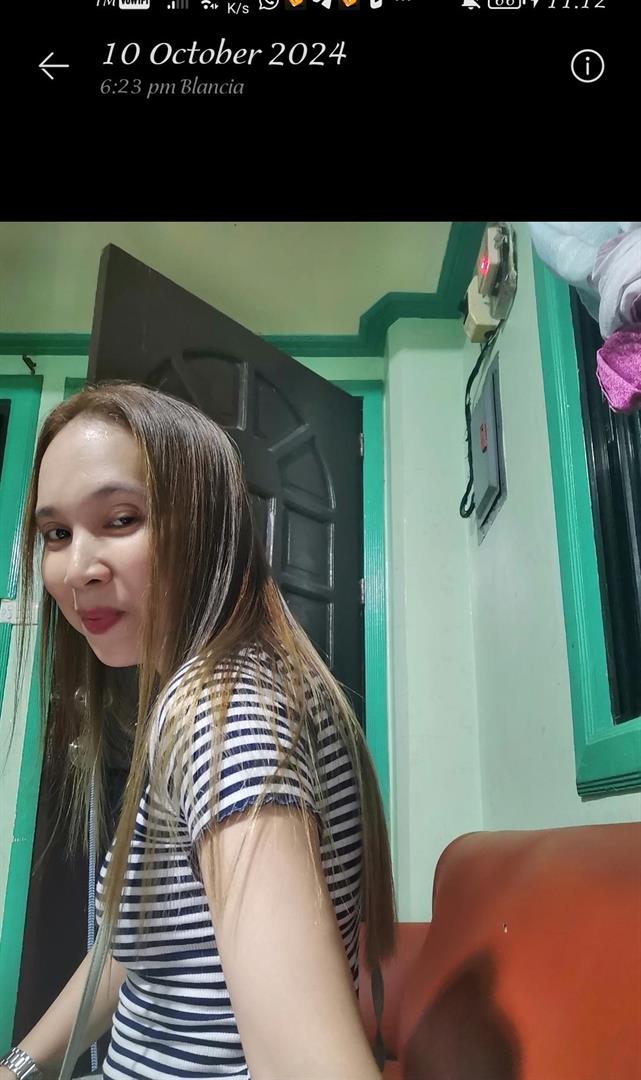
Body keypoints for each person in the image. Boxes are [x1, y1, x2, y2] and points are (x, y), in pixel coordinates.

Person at [1, 380, 396, 1080]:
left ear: (206, 526)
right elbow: (141, 939)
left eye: (121, 519)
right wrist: (21, 1066)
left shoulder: (220, 708)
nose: (76, 569)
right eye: (57, 533)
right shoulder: (251, 677)